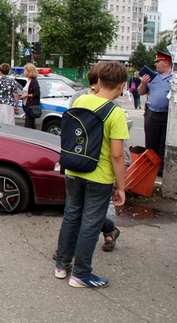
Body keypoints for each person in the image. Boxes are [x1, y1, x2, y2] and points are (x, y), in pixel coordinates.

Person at [54, 61, 129, 288]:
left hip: (74, 169)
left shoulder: (81, 100)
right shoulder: (115, 112)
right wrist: (121, 187)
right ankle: (81, 274)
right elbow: (117, 156)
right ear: (122, 85)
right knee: (90, 223)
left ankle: (62, 265)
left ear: (98, 81)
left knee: (72, 216)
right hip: (99, 176)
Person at [68, 62, 129, 252]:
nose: (94, 88)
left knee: (89, 212)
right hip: (87, 161)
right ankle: (106, 231)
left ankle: (69, 255)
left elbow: (117, 149)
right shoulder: (80, 98)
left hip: (101, 163)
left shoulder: (112, 105)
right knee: (87, 213)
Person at [138, 50, 172, 176]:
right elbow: (141, 92)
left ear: (166, 62)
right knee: (151, 142)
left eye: (158, 62)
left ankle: (161, 170)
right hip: (152, 113)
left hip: (167, 114)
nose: (156, 64)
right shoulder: (152, 76)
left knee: (164, 142)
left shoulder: (175, 77)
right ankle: (151, 167)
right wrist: (143, 83)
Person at [20, 63, 41, 129]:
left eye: (25, 70)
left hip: (31, 106)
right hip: (26, 106)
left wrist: (26, 96)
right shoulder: (28, 81)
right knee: (30, 123)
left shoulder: (34, 81)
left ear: (29, 71)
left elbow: (37, 93)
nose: (24, 72)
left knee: (29, 125)